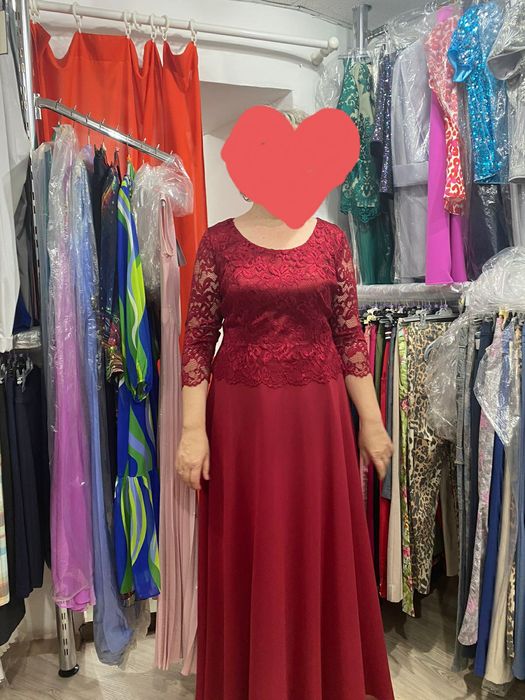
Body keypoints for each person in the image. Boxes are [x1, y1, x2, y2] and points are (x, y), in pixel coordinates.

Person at [177, 109, 394, 700]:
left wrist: (373, 424)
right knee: (252, 546)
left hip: (317, 420)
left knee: (315, 543)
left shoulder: (331, 242)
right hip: (242, 423)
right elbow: (197, 340)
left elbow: (350, 337)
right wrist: (193, 431)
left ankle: (320, 680)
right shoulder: (218, 243)